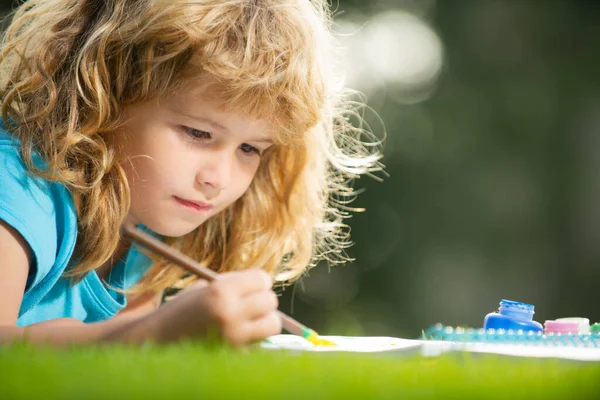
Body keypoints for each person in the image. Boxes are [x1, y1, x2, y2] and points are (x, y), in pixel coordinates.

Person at [0, 0, 382, 346]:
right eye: (199, 133)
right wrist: (153, 333)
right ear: (106, 92)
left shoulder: (145, 225)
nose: (217, 178)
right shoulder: (16, 185)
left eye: (250, 149)